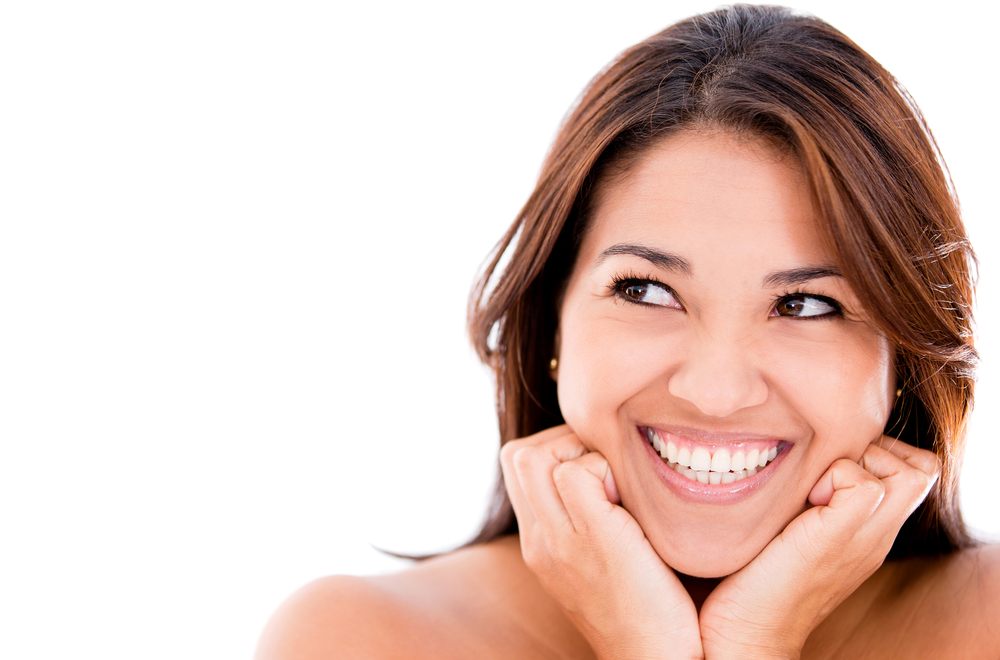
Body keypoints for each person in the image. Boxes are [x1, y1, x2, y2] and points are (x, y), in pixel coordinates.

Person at [255, 5, 1000, 658]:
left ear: (902, 353)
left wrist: (753, 645)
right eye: (646, 291)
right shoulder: (361, 641)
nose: (715, 392)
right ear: (552, 319)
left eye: (805, 304)